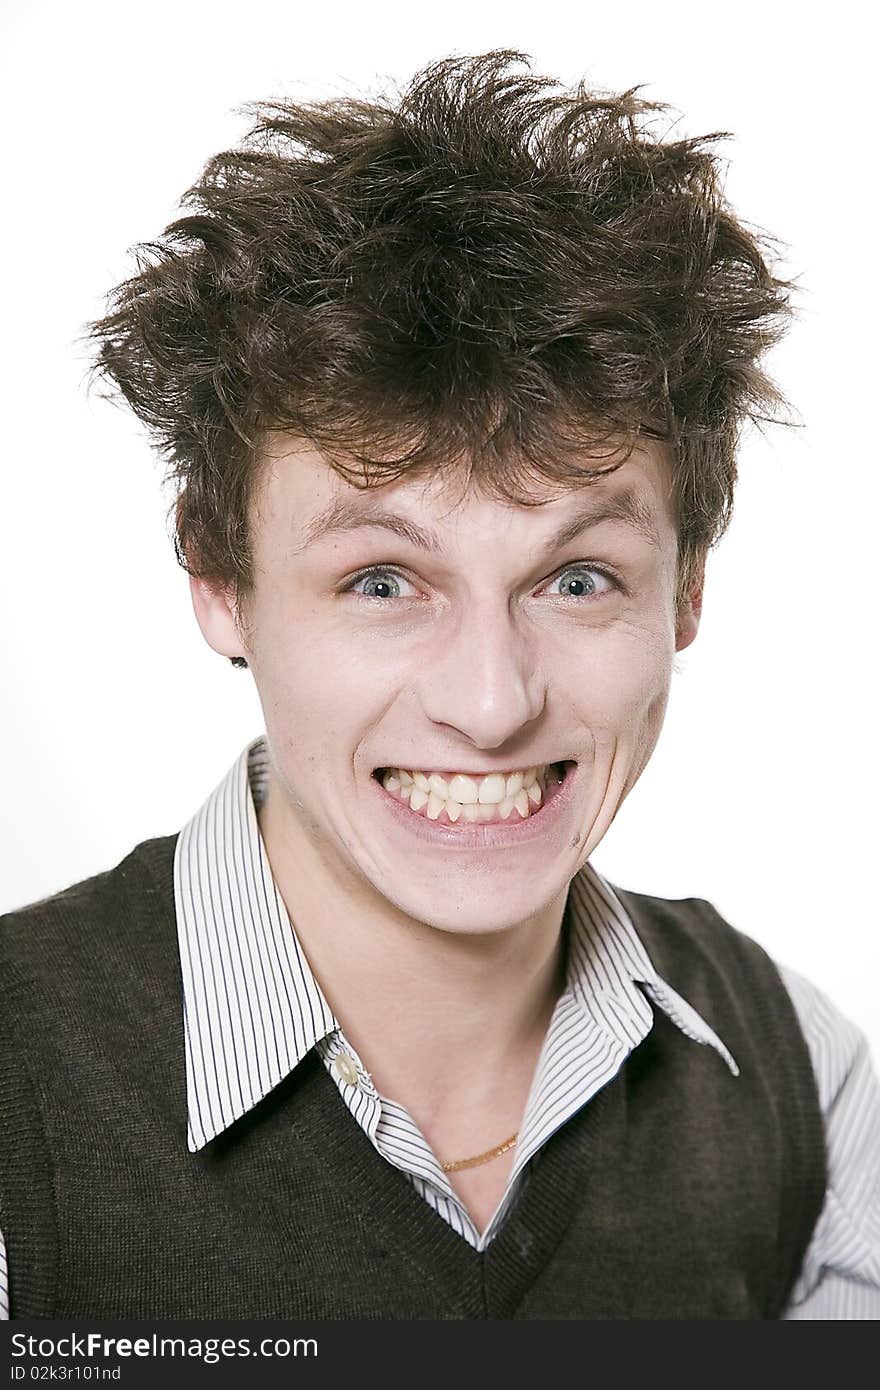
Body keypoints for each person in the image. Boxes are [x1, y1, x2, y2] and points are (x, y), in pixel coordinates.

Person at [1, 48, 877, 1321]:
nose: (489, 701)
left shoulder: (799, 1073)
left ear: (686, 592)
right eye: (380, 582)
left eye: (577, 578)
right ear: (219, 582)